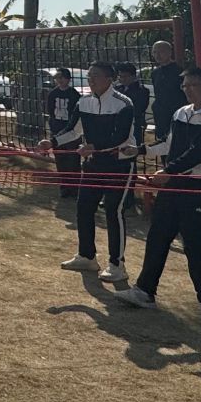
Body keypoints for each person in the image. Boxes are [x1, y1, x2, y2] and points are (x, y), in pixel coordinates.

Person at [116, 65, 201, 320]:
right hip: (172, 186)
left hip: (200, 187)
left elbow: (200, 153)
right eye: (185, 86)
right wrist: (141, 150)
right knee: (157, 237)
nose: (187, 90)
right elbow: (169, 143)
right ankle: (144, 291)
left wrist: (170, 170)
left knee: (194, 245)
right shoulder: (181, 113)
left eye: (193, 85)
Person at [60, 62, 138, 284]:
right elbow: (73, 130)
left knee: (114, 212)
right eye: (89, 76)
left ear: (109, 79)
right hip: (93, 164)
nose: (91, 80)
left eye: (95, 76)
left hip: (118, 164)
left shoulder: (124, 103)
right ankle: (87, 256)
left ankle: (117, 265)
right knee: (83, 208)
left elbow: (120, 137)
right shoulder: (84, 101)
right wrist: (52, 142)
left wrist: (93, 146)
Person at [39, 67, 84, 203]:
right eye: (57, 78)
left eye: (61, 77)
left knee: (73, 160)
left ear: (68, 79)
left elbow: (76, 115)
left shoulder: (74, 94)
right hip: (56, 130)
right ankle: (64, 187)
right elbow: (50, 111)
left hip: (71, 132)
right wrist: (53, 129)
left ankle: (75, 189)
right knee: (60, 160)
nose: (59, 80)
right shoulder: (53, 93)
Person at [149, 40, 186, 144]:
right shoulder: (155, 73)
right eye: (155, 52)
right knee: (162, 143)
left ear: (169, 52)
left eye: (161, 52)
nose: (157, 55)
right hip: (161, 114)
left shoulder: (179, 72)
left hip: (176, 112)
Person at [115, 62, 151, 148]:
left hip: (134, 125)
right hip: (117, 125)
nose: (122, 79)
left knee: (132, 148)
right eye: (120, 76)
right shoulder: (117, 89)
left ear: (134, 76)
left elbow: (139, 109)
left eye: (125, 76)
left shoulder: (142, 91)